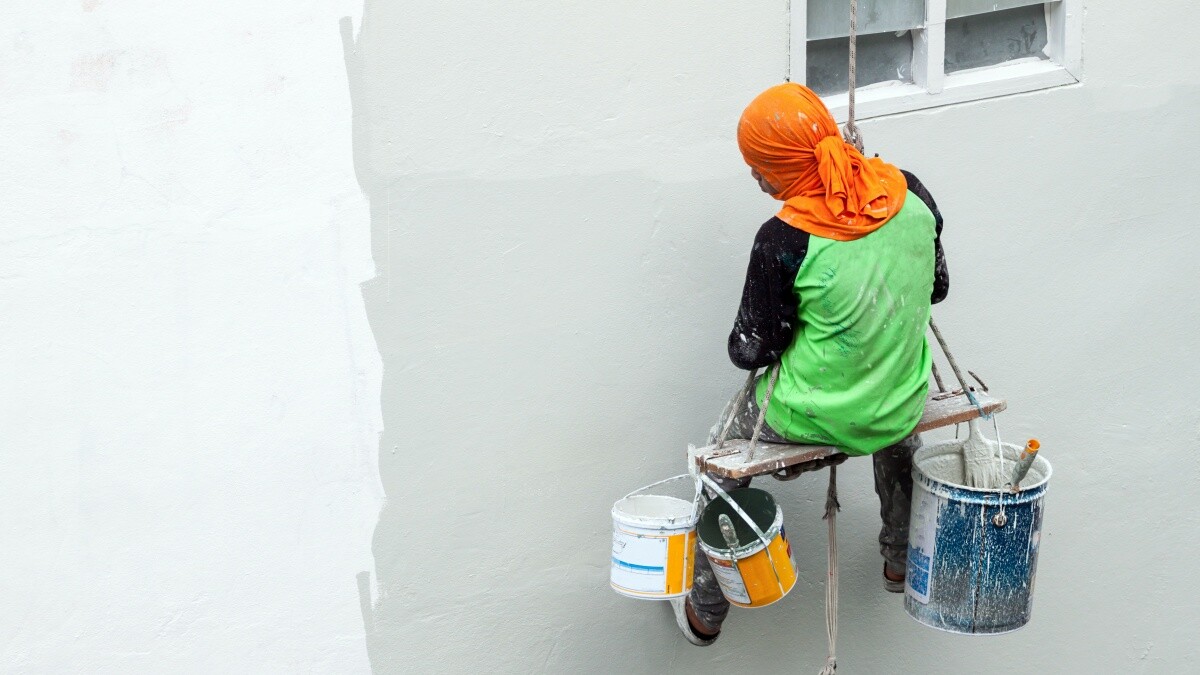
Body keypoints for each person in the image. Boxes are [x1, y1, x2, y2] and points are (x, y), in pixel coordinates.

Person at [671, 83, 949, 646]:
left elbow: (752, 349)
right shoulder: (912, 192)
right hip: (901, 397)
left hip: (812, 415)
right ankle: (900, 557)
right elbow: (937, 287)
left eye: (760, 169)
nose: (758, 181)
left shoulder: (784, 238)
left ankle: (704, 611)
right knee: (894, 429)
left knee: (718, 468)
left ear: (785, 166)